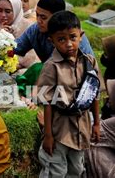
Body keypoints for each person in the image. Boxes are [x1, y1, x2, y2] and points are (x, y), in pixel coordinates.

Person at [36, 11, 102, 177]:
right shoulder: (51, 67)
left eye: (73, 37)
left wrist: (96, 124)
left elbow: (95, 94)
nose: (69, 44)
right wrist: (48, 136)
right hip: (59, 129)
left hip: (82, 127)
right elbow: (47, 102)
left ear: (81, 36)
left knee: (76, 169)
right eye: (61, 39)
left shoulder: (89, 61)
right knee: (55, 171)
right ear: (52, 41)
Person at [15, 0, 94, 63]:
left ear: (57, 18)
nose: (38, 20)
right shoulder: (35, 30)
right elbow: (15, 47)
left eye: (43, 17)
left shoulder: (73, 38)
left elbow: (89, 70)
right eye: (37, 15)